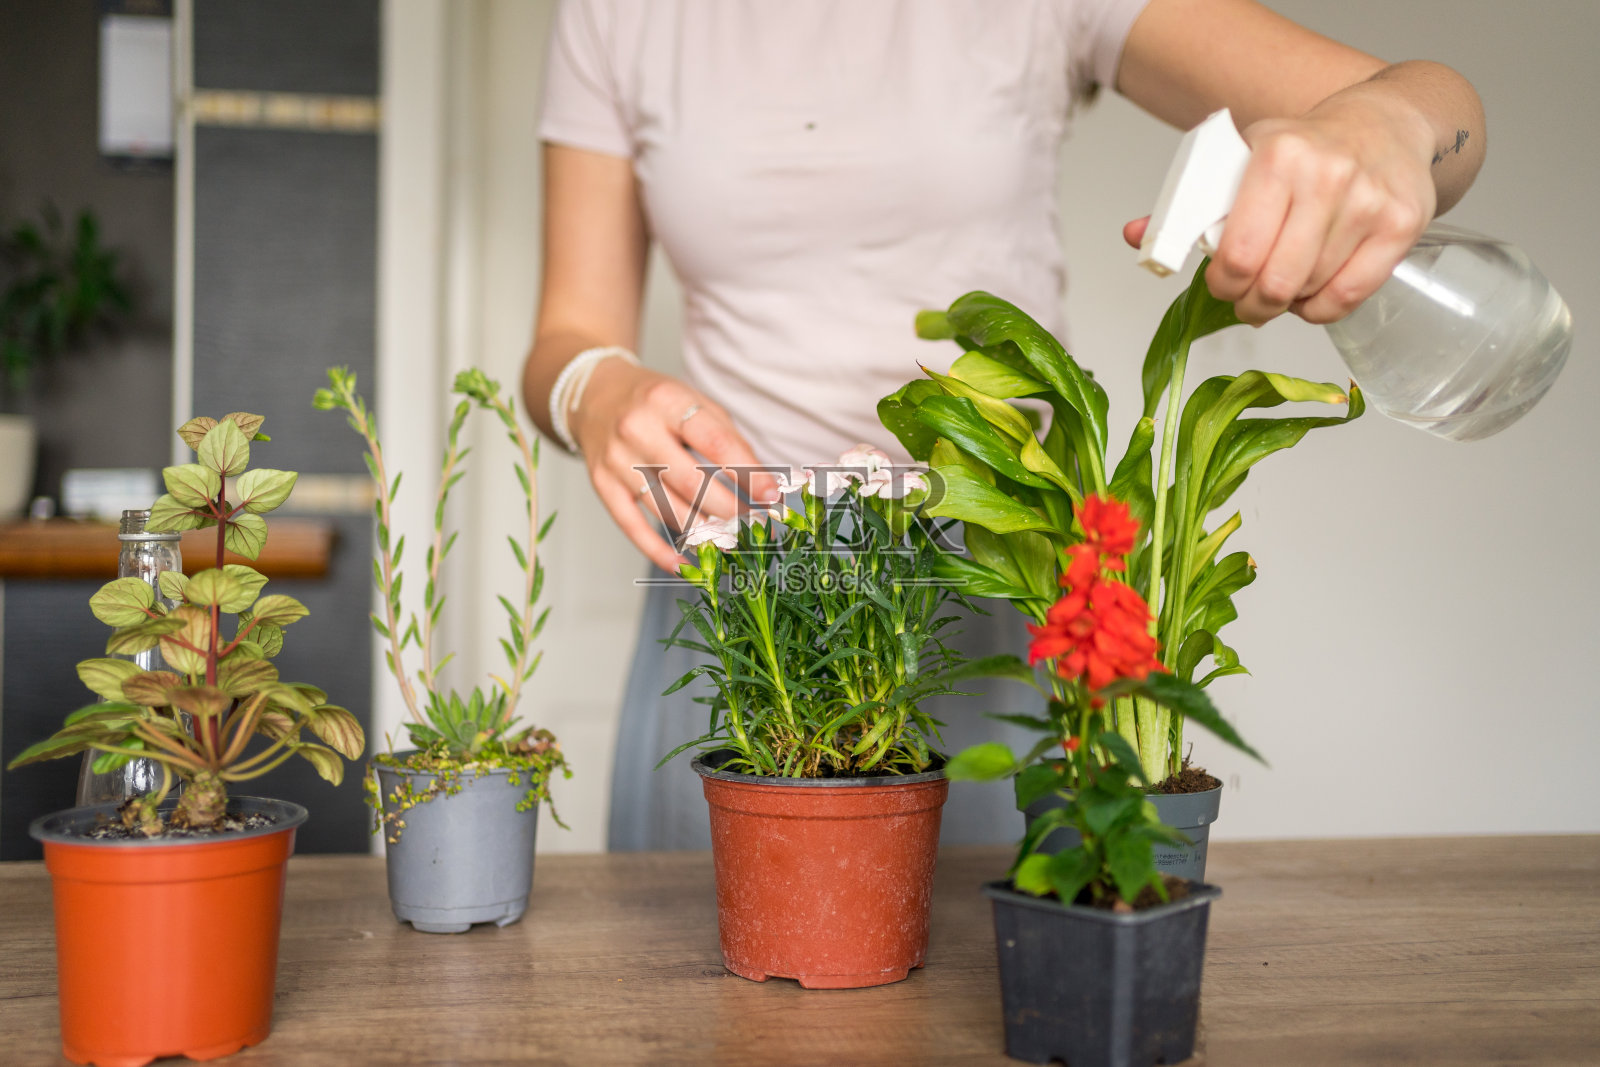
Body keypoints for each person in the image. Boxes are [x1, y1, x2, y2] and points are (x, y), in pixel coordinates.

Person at [521, 0, 1484, 850]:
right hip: (741, 572)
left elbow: (1448, 113)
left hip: (989, 564)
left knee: (996, 957)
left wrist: (1387, 125)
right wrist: (592, 389)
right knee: (701, 968)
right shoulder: (618, 13)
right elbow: (568, 331)